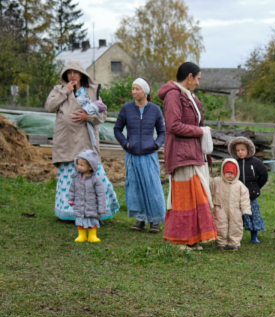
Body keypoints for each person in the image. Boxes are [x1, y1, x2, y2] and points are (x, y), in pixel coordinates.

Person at [45, 59, 119, 222]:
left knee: (95, 178)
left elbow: (102, 114)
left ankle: (96, 211)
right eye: (69, 72)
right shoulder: (59, 90)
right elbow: (49, 106)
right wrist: (65, 91)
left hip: (86, 143)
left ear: (81, 74)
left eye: (75, 72)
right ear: (65, 75)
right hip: (66, 143)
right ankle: (69, 213)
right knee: (69, 181)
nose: (72, 75)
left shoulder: (91, 91)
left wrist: (88, 116)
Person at [158, 62, 216, 250]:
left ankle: (192, 239)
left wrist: (202, 132)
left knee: (196, 197)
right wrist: (201, 131)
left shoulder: (190, 96)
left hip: (194, 153)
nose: (198, 83)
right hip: (181, 155)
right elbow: (173, 125)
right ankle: (179, 240)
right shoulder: (173, 95)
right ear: (190, 77)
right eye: (198, 78)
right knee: (183, 198)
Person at [114, 78, 166, 233]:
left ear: (145, 91)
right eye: (133, 89)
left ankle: (155, 221)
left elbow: (162, 132)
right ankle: (140, 219)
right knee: (135, 187)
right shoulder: (126, 108)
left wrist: (156, 145)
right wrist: (125, 144)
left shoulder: (155, 110)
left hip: (149, 155)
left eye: (137, 89)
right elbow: (117, 129)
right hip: (132, 155)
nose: (134, 92)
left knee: (153, 187)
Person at [227, 135, 268, 244]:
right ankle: (236, 235)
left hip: (251, 195)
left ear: (248, 149)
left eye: (242, 150)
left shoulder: (256, 162)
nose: (240, 152)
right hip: (237, 195)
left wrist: (256, 187)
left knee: (254, 214)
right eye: (238, 150)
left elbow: (263, 175)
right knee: (236, 216)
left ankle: (254, 236)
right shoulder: (234, 163)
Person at [210, 159, 252, 251]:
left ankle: (234, 243)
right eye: (227, 172)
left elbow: (244, 199)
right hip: (220, 208)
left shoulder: (240, 185)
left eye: (232, 173)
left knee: (236, 226)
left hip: (235, 209)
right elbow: (207, 185)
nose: (230, 175)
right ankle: (220, 243)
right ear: (223, 171)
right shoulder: (216, 182)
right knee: (220, 225)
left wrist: (246, 209)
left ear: (237, 173)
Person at [67, 150, 106, 243]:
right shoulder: (76, 178)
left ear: (90, 167)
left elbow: (101, 194)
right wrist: (71, 199)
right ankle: (82, 235)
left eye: (82, 165)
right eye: (78, 164)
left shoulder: (96, 179)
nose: (79, 167)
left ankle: (92, 236)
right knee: (80, 220)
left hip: (91, 206)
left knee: (92, 221)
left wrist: (101, 207)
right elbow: (72, 189)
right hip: (79, 205)